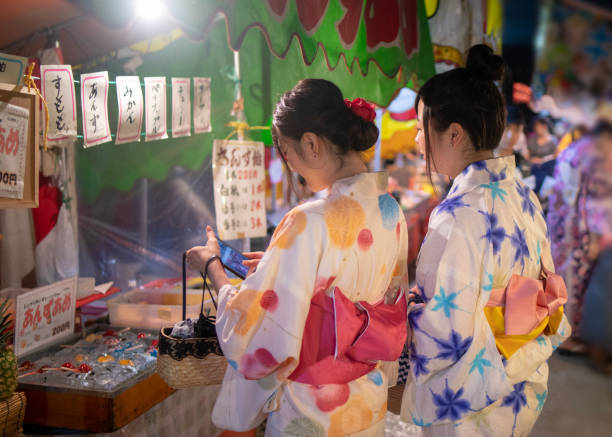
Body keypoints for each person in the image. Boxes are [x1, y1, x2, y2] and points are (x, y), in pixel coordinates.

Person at [187, 79, 409, 436]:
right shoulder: (390, 210)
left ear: (311, 144)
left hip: (313, 409)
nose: (293, 167)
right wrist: (279, 265)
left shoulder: (307, 220)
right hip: (367, 398)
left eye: (289, 155)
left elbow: (256, 329)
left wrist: (214, 267)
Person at [400, 44, 570, 436]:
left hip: (477, 400)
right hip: (521, 378)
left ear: (454, 134)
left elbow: (447, 332)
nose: (416, 140)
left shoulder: (458, 216)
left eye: (421, 125)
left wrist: (406, 312)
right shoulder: (523, 193)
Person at [548, 107, 612, 359]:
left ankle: (558, 331)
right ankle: (568, 338)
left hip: (562, 225)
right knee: (577, 285)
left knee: (562, 279)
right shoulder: (599, 156)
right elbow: (599, 201)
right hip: (582, 231)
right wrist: (597, 239)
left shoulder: (571, 150)